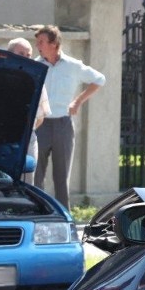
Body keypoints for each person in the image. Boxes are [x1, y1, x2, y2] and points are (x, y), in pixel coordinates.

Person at [33, 25, 105, 209]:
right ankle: (37, 212)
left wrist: (78, 101)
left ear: (54, 44)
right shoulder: (36, 65)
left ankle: (63, 216)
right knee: (35, 175)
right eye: (37, 41)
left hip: (63, 124)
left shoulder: (73, 66)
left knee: (61, 177)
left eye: (41, 42)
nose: (38, 45)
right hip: (39, 124)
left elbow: (99, 79)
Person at [6, 37, 50, 184]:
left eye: (28, 55)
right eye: (21, 53)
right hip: (1, 140)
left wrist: (24, 132)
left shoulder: (37, 81)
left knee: (26, 185)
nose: (25, 58)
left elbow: (40, 117)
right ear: (10, 55)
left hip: (27, 139)